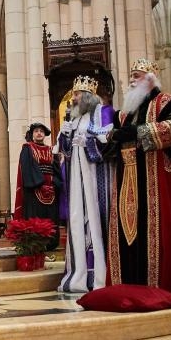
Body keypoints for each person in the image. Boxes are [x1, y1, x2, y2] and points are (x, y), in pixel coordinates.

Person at [105, 58, 171, 299]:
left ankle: (157, 283)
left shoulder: (168, 103)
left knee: (156, 230)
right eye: (132, 75)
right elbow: (114, 143)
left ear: (150, 79)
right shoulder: (125, 112)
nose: (132, 80)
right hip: (127, 176)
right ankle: (126, 282)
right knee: (127, 230)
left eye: (136, 76)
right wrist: (111, 138)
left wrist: (137, 132)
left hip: (156, 180)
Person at [55, 75, 111, 292]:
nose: (74, 98)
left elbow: (108, 141)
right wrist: (66, 138)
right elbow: (63, 151)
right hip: (76, 179)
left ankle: (98, 274)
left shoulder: (102, 113)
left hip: (95, 177)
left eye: (77, 94)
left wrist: (88, 143)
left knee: (95, 219)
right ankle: (78, 273)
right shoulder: (74, 119)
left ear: (88, 96)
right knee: (77, 218)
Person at [12, 122, 61, 249]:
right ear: (32, 134)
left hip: (51, 189)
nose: (39, 133)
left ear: (44, 135)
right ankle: (36, 246)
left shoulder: (52, 150)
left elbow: (56, 170)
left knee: (51, 218)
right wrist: (40, 184)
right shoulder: (27, 148)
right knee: (36, 217)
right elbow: (28, 168)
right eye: (36, 131)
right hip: (34, 190)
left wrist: (55, 184)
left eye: (41, 131)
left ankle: (50, 246)